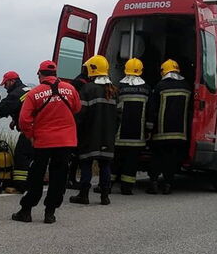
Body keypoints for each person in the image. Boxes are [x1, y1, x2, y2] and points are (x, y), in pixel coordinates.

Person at [11, 60, 81, 224]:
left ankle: (26, 211)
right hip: (66, 141)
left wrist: (30, 136)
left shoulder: (34, 93)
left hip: (43, 141)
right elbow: (77, 108)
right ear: (55, 74)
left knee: (35, 176)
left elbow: (24, 120)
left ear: (40, 74)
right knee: (59, 177)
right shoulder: (70, 89)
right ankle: (50, 213)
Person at [70, 55, 118, 205]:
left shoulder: (87, 89)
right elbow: (118, 116)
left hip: (89, 135)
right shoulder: (113, 90)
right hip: (108, 136)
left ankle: (83, 195)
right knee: (105, 165)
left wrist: (75, 131)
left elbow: (80, 114)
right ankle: (105, 196)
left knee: (86, 164)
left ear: (92, 70)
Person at [146, 58, 192, 195]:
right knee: (171, 159)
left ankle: (154, 183)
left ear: (163, 71)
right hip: (180, 134)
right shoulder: (187, 86)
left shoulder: (160, 86)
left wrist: (149, 128)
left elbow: (152, 109)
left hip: (161, 133)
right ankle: (168, 185)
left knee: (157, 157)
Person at [114, 58, 151, 195]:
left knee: (115, 160)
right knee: (131, 162)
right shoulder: (147, 89)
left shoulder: (119, 87)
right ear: (141, 71)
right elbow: (150, 111)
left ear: (125, 70)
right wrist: (149, 129)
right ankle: (127, 188)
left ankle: (107, 185)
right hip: (137, 136)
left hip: (119, 135)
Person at [0, 70, 33, 192]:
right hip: (39, 128)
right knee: (33, 156)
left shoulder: (16, 94)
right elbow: (23, 108)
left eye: (6, 83)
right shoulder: (27, 90)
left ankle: (21, 184)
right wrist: (15, 121)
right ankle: (32, 180)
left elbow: (2, 109)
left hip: (30, 130)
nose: (5, 87)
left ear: (12, 81)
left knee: (21, 155)